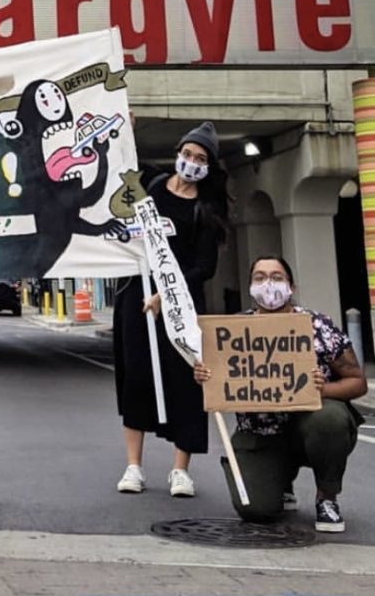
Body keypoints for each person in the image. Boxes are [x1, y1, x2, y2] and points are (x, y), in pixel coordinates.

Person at [193, 256, 367, 533]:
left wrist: (322, 389)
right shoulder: (231, 332)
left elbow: (357, 382)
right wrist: (205, 376)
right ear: (250, 286)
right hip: (260, 436)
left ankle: (327, 497)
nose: (268, 284)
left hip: (308, 426)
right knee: (255, 509)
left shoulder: (316, 326)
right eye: (260, 278)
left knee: (330, 419)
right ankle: (280, 481)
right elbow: (219, 381)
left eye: (276, 277)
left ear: (291, 286)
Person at [112, 121, 230, 498]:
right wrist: (124, 127)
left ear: (208, 166)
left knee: (186, 381)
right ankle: (134, 466)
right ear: (178, 153)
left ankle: (181, 470)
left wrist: (169, 292)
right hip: (137, 298)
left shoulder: (204, 210)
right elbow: (119, 164)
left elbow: (205, 266)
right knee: (137, 378)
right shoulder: (151, 188)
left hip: (180, 305)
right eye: (187, 154)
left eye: (200, 158)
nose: (191, 162)